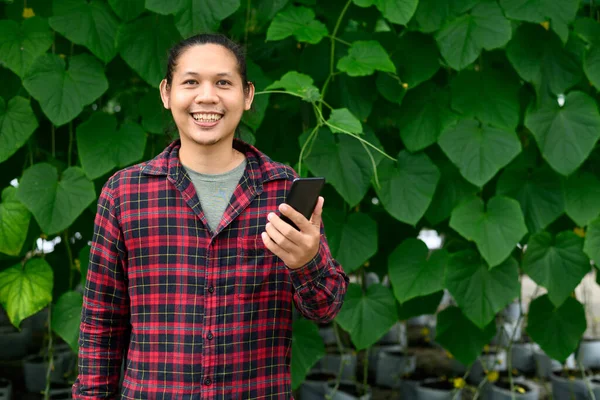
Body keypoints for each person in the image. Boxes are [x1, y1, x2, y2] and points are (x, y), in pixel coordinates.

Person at [72, 33, 348, 399]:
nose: (207, 97)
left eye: (223, 83)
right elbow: (101, 324)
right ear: (166, 93)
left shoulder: (283, 191)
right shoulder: (125, 193)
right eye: (191, 82)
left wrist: (307, 262)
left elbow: (326, 309)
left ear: (247, 95)